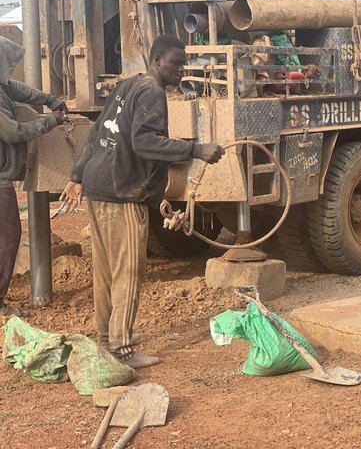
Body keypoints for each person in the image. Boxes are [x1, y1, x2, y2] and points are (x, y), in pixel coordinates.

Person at [60, 34, 225, 370]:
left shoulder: (126, 86)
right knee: (129, 273)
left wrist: (76, 176)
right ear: (156, 59)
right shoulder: (152, 91)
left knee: (107, 272)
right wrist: (196, 149)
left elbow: (96, 132)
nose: (181, 70)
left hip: (98, 186)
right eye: (175, 63)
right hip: (122, 193)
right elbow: (145, 142)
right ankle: (121, 348)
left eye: (184, 64)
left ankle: (107, 338)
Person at [0, 38, 69, 317]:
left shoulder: (3, 86)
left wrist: (49, 99)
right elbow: (13, 132)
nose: (11, 71)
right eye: (9, 64)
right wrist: (52, 121)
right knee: (7, 237)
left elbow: (19, 89)